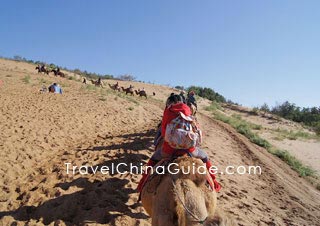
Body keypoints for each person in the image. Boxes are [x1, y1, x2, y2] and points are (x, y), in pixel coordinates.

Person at [137, 94, 221, 192]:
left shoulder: (168, 111)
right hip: (190, 150)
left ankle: (142, 183)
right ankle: (214, 183)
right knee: (205, 157)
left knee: (153, 159)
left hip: (169, 150)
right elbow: (196, 130)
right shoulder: (189, 111)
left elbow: (164, 133)